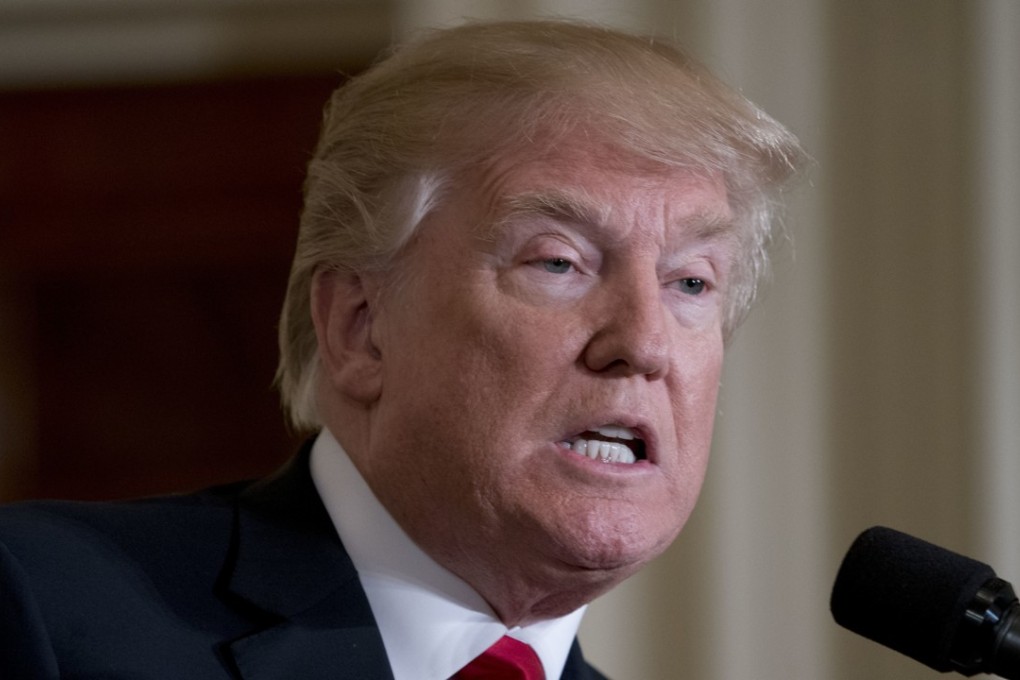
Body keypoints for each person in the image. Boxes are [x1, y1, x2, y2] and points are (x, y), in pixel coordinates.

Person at [0, 19, 805, 680]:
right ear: (359, 325)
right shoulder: (42, 608)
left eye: (691, 283)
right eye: (558, 262)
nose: (642, 343)